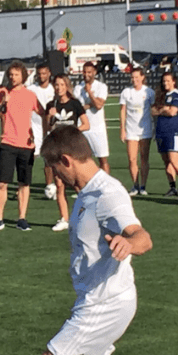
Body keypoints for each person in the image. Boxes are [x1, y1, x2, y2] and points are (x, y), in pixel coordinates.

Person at [32, 125, 165, 355]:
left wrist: (129, 243)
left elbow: (142, 237)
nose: (55, 176)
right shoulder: (86, 192)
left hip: (105, 302)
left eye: (54, 168)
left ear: (66, 160)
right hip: (97, 297)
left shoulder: (108, 194)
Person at [0, 60, 45, 233]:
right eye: (10, 74)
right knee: (2, 183)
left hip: (26, 145)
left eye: (16, 74)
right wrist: (2, 104)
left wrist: (45, 131)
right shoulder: (1, 92)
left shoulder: (30, 95)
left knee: (24, 184)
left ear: (23, 76)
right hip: (7, 143)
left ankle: (22, 219)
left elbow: (44, 113)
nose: (13, 77)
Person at [44, 74, 89, 231]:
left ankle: (86, 215)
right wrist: (50, 116)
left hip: (71, 147)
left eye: (62, 85)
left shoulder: (75, 104)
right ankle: (64, 218)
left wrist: (72, 132)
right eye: (56, 85)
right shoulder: (51, 105)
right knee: (59, 184)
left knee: (77, 183)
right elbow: (48, 128)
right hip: (57, 148)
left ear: (67, 86)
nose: (59, 88)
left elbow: (86, 124)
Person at [151, 72, 178, 197]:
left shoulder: (177, 94)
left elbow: (173, 112)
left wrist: (162, 109)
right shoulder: (161, 95)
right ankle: (172, 187)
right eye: (164, 81)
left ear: (173, 81)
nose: (165, 83)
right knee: (166, 162)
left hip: (172, 132)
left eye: (168, 81)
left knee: (174, 161)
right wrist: (164, 109)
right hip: (160, 132)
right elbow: (153, 110)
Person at [119, 67, 155, 197]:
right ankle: (135, 185)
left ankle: (143, 186)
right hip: (131, 130)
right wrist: (122, 129)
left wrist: (155, 127)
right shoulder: (126, 92)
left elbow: (153, 110)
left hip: (145, 130)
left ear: (142, 77)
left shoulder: (149, 92)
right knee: (132, 159)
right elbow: (123, 111)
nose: (134, 80)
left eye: (137, 77)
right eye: (132, 77)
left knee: (144, 158)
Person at [75, 62, 111, 174]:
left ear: (94, 72)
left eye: (89, 72)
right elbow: (77, 107)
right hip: (82, 128)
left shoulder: (101, 87)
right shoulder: (77, 88)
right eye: (84, 72)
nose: (86, 74)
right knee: (82, 160)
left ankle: (105, 183)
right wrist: (90, 105)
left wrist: (89, 92)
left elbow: (99, 105)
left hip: (97, 128)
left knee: (102, 160)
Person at [28, 63, 56, 200]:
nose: (41, 76)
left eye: (44, 73)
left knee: (48, 160)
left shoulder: (54, 89)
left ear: (49, 73)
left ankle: (49, 187)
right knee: (29, 158)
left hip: (49, 128)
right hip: (34, 127)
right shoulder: (31, 89)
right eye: (39, 73)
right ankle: (24, 186)